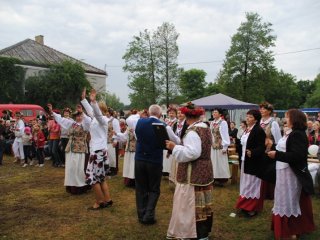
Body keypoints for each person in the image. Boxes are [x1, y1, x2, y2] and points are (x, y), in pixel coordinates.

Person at [166, 103, 213, 240]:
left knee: (189, 203)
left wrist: (174, 148)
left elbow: (193, 153)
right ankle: (202, 233)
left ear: (187, 117)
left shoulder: (193, 131)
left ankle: (190, 233)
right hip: (204, 171)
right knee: (201, 202)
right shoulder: (205, 128)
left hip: (192, 173)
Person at [267, 109, 315, 239]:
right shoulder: (289, 133)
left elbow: (297, 155)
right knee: (282, 198)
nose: (285, 120)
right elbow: (286, 149)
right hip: (283, 170)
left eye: (287, 117)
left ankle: (292, 228)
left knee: (290, 198)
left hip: (291, 173)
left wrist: (277, 155)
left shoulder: (298, 134)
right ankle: (283, 226)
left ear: (294, 119)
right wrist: (274, 147)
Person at [134, 104, 180, 224]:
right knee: (154, 189)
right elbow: (176, 141)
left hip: (139, 159)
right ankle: (148, 215)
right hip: (154, 160)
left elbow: (136, 135)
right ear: (160, 115)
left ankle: (141, 214)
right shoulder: (164, 126)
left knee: (141, 188)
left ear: (149, 113)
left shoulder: (139, 122)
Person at [81, 88, 113, 210]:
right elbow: (91, 111)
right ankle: (108, 199)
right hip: (99, 151)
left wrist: (93, 102)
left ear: (102, 110)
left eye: (96, 108)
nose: (93, 110)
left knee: (92, 178)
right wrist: (84, 99)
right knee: (101, 178)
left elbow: (97, 114)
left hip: (98, 152)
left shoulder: (103, 119)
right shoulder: (95, 118)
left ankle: (99, 202)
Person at [50, 104, 91, 195]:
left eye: (80, 116)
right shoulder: (71, 123)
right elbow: (61, 120)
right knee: (71, 168)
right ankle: (71, 185)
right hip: (70, 148)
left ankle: (81, 186)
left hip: (80, 149)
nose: (79, 117)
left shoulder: (85, 125)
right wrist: (52, 111)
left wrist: (82, 112)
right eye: (77, 116)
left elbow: (88, 121)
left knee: (78, 168)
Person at [235, 109, 266, 217]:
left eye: (250, 117)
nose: (247, 118)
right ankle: (244, 205)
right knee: (245, 183)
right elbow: (243, 144)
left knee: (252, 184)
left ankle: (252, 208)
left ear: (256, 119)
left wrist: (252, 152)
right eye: (247, 116)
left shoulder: (258, 130)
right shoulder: (247, 129)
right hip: (244, 160)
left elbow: (262, 147)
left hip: (254, 162)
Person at [259, 102, 282, 199]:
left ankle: (269, 193)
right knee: (260, 170)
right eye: (261, 109)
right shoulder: (259, 121)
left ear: (269, 111)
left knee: (269, 171)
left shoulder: (274, 122)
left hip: (270, 150)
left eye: (264, 109)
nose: (262, 110)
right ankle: (261, 191)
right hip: (260, 149)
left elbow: (278, 139)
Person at [117, 114, 140, 187]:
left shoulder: (138, 127)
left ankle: (134, 181)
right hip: (128, 149)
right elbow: (124, 137)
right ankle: (129, 181)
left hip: (135, 149)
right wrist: (117, 134)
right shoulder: (128, 128)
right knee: (128, 165)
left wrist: (134, 132)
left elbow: (139, 138)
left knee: (133, 165)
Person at [210, 108, 230, 186]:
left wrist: (225, 147)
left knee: (221, 163)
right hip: (213, 145)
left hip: (220, 145)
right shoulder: (212, 123)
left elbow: (225, 135)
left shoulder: (223, 122)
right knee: (213, 162)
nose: (214, 113)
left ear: (220, 114)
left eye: (215, 112)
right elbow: (211, 134)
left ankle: (222, 179)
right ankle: (214, 178)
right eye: (213, 112)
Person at [168, 109, 188, 184]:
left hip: (183, 147)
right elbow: (172, 136)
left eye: (181, 113)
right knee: (175, 165)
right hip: (175, 147)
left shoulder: (187, 124)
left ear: (185, 115)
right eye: (178, 113)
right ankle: (175, 181)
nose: (179, 114)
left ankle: (182, 180)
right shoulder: (175, 124)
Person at [163, 106, 178, 176]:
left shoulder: (176, 122)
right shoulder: (166, 121)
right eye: (170, 113)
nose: (171, 114)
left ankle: (171, 171)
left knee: (171, 156)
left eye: (172, 113)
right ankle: (165, 171)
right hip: (165, 139)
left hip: (173, 140)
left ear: (175, 114)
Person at [106, 107, 121, 176]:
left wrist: (115, 140)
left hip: (112, 140)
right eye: (105, 112)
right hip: (105, 140)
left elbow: (117, 131)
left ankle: (113, 170)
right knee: (106, 155)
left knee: (112, 156)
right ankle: (106, 169)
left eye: (107, 112)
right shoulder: (104, 119)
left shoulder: (114, 121)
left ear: (110, 113)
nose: (106, 113)